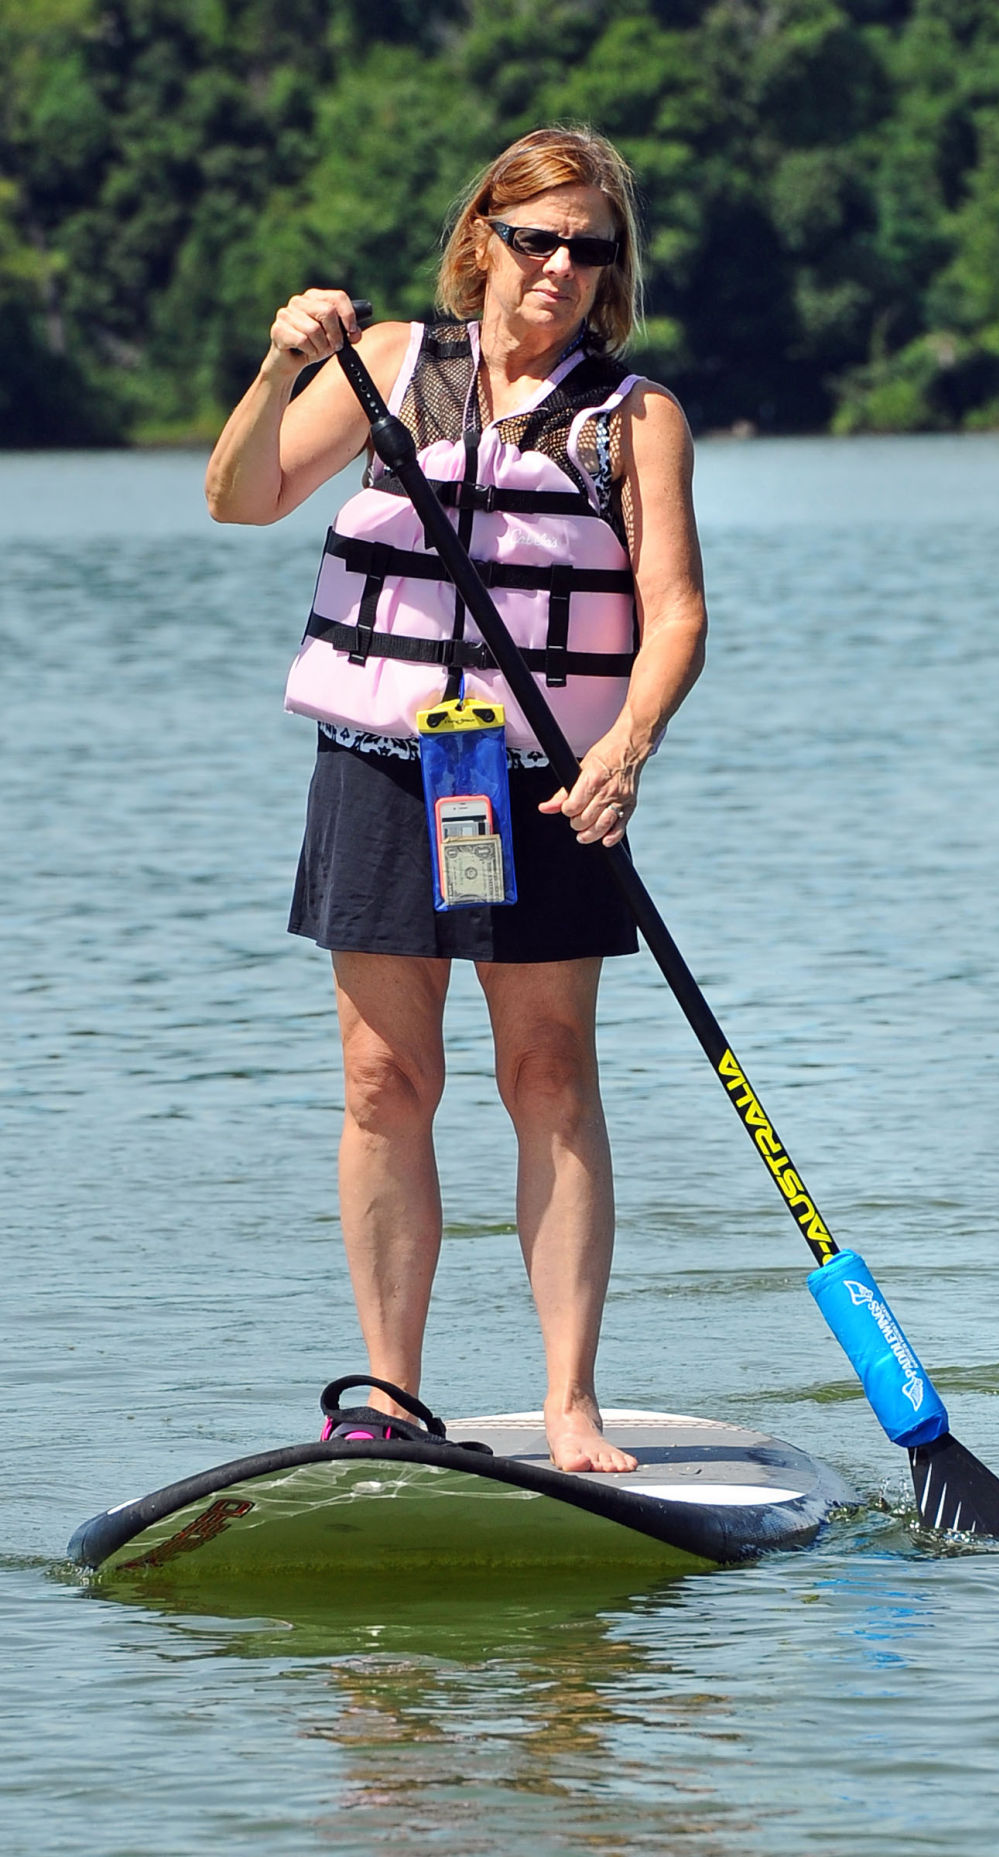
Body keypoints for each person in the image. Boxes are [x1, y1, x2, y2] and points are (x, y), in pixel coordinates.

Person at [205, 126, 707, 1472]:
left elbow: (673, 613)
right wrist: (279, 364)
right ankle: (386, 1394)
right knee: (382, 1079)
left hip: (547, 783)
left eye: (591, 251)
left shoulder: (633, 417)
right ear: (484, 237)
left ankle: (570, 1406)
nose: (561, 269)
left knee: (548, 1075)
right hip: (385, 767)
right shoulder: (384, 371)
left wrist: (631, 743)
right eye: (538, 239)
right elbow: (241, 496)